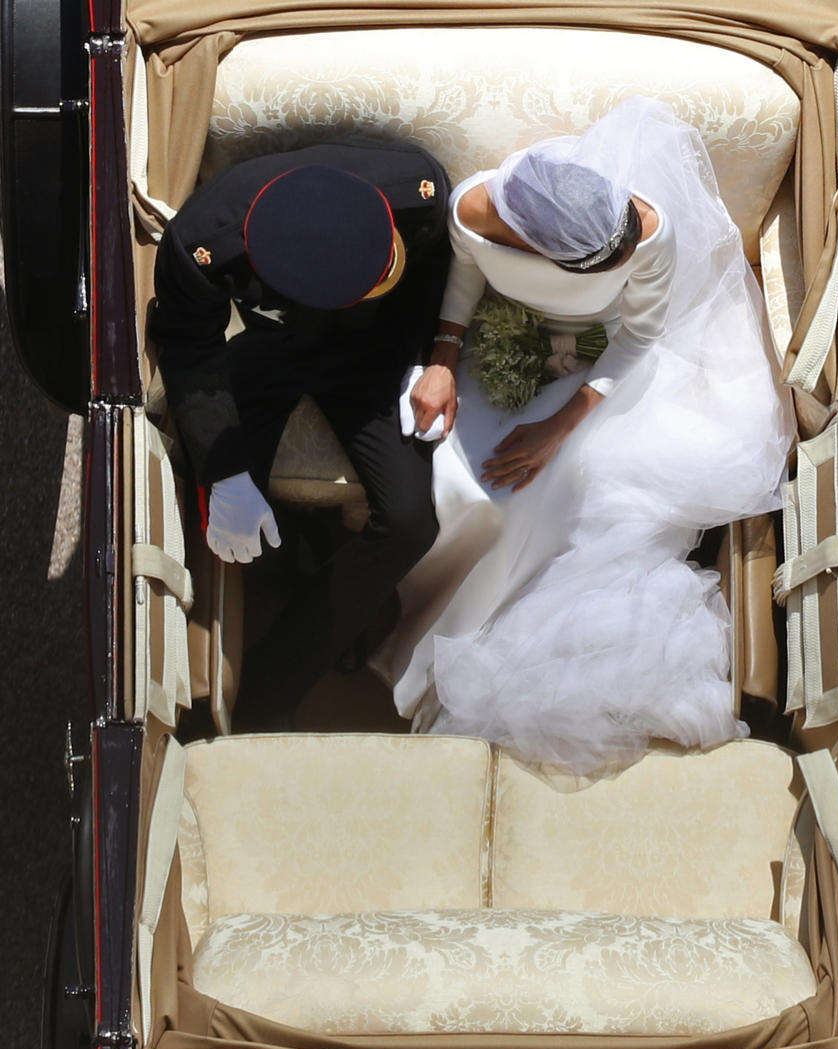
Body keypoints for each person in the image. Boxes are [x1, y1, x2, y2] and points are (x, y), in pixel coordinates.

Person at [379, 96, 795, 777]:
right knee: (462, 476)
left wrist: (558, 426)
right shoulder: (476, 211)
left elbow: (641, 332)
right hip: (510, 337)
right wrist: (445, 358)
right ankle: (418, 623)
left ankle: (491, 639)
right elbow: (467, 275)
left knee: (574, 482)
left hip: (609, 367)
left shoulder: (645, 229)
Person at [150, 137, 451, 727]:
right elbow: (190, 345)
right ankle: (213, 672)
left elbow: (434, 269)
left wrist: (429, 356)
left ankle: (275, 680)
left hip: (372, 354)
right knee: (217, 512)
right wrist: (226, 471)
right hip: (271, 346)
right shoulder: (202, 243)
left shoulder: (415, 189)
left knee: (412, 522)